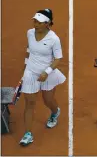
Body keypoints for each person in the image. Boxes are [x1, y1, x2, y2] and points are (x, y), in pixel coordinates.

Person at [19, 9, 66, 146]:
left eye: (39, 22)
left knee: (48, 100)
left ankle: (55, 112)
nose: (35, 24)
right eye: (35, 21)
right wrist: (25, 68)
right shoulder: (29, 33)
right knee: (29, 103)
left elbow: (58, 59)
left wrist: (47, 72)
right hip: (31, 72)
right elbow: (29, 50)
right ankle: (28, 134)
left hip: (48, 73)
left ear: (48, 23)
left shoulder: (54, 39)